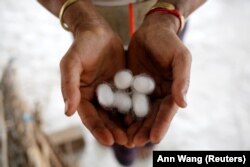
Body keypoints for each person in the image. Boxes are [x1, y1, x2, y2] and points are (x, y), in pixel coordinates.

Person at [38, 0, 206, 165]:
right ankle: (124, 152)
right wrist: (80, 18)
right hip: (93, 33)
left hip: (163, 29)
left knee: (157, 108)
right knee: (114, 125)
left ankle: (143, 145)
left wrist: (170, 14)